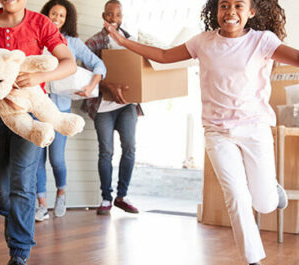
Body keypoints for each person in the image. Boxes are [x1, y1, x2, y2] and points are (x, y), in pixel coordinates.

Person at [105, 0, 299, 264]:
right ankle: (253, 259)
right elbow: (162, 56)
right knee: (236, 195)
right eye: (224, 5)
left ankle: (271, 189)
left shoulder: (262, 41)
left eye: (239, 5)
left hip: (254, 129)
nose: (230, 11)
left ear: (251, 12)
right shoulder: (203, 42)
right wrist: (123, 41)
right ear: (216, 10)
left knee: (264, 204)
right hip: (217, 132)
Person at [0, 0, 76, 264]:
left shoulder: (41, 24)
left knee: (22, 185)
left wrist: (39, 78)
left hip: (30, 115)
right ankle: (13, 213)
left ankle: (19, 252)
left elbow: (68, 63)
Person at [34, 0, 107, 221]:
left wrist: (91, 85)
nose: (56, 19)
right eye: (53, 14)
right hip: (36, 108)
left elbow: (99, 65)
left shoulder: (72, 43)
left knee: (56, 159)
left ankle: (61, 193)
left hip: (60, 111)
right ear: (45, 15)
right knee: (37, 160)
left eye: (61, 16)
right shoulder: (35, 39)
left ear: (67, 20)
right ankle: (41, 205)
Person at [84, 0, 143, 215]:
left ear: (122, 17)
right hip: (103, 107)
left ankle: (122, 196)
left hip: (127, 105)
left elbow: (140, 70)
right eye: (109, 14)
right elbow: (85, 75)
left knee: (129, 148)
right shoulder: (92, 43)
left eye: (118, 15)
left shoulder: (131, 41)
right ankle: (106, 198)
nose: (114, 19)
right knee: (106, 151)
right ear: (103, 16)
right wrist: (107, 84)